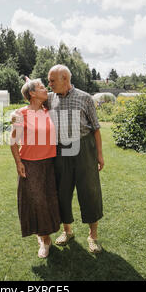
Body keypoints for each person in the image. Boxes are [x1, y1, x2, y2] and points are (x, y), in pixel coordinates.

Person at [47, 65, 105, 254]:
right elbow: (30, 97)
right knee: (62, 192)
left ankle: (93, 236)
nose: (49, 84)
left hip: (83, 147)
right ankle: (67, 231)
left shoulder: (85, 98)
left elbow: (96, 128)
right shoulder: (50, 98)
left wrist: (99, 154)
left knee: (89, 190)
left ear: (65, 78)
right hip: (61, 150)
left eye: (52, 80)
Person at [10, 78, 61, 259]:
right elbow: (13, 142)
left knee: (49, 200)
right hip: (31, 164)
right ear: (32, 94)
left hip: (49, 163)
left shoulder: (48, 111)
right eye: (41, 87)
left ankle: (44, 234)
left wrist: (34, 83)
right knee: (37, 202)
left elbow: (61, 92)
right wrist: (18, 163)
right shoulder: (21, 113)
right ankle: (45, 240)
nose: (45, 89)